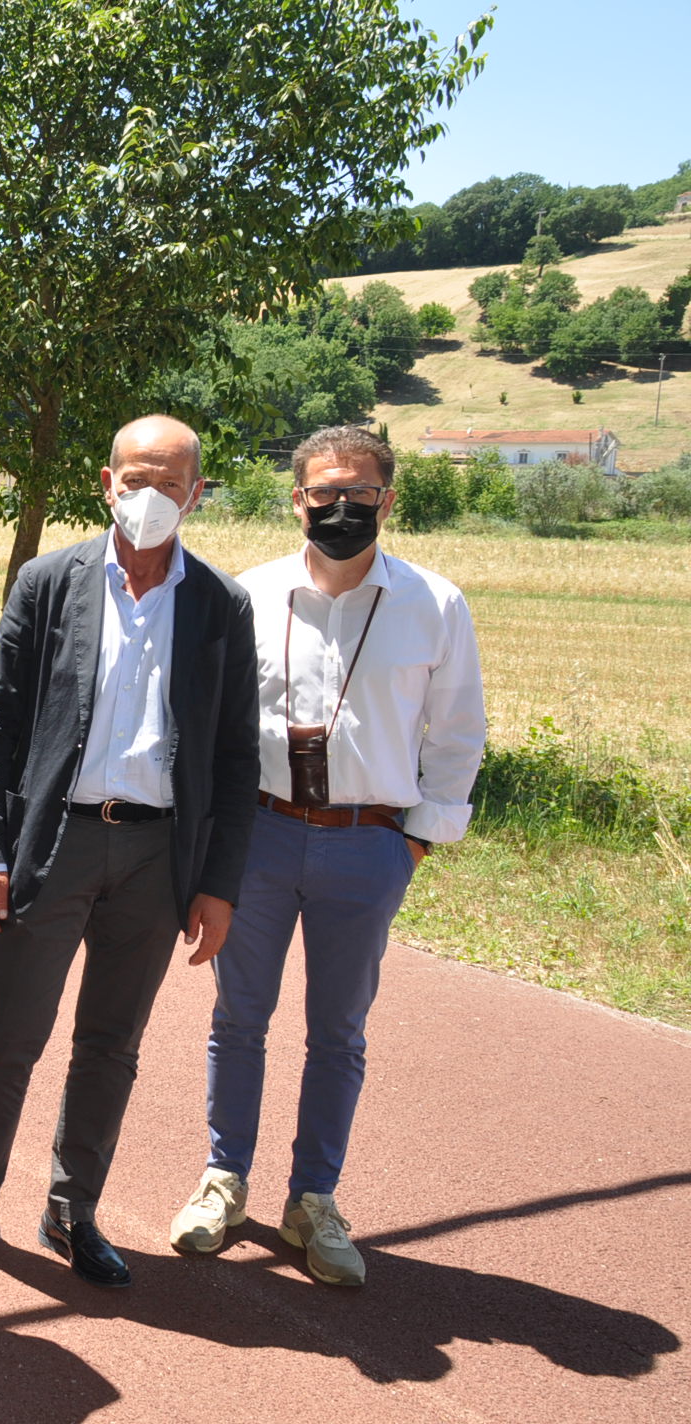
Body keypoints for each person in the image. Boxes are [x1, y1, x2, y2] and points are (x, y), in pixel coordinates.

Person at [0, 414, 259, 1289]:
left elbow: (237, 754)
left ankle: (72, 1211)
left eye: (170, 484)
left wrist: (217, 884)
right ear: (106, 484)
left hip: (157, 856)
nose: (151, 497)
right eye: (136, 480)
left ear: (196, 495)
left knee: (111, 1046)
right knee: (6, 1037)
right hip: (52, 843)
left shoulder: (221, 604)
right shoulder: (49, 582)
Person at [168, 425, 484, 1287]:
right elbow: (213, 726)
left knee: (337, 1033)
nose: (341, 507)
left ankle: (313, 1199)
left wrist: (414, 842)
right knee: (238, 1019)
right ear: (296, 500)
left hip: (369, 842)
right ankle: (224, 1180)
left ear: (388, 500)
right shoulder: (250, 594)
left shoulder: (434, 604)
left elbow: (457, 734)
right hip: (260, 835)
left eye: (359, 493)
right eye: (323, 493)